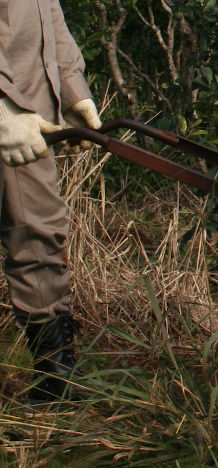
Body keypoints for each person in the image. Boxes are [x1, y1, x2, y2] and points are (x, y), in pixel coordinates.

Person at [0, 1, 102, 400]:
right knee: (34, 232)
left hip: (29, 115)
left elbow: (49, 17)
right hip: (12, 113)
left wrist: (73, 90)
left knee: (38, 231)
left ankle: (57, 376)